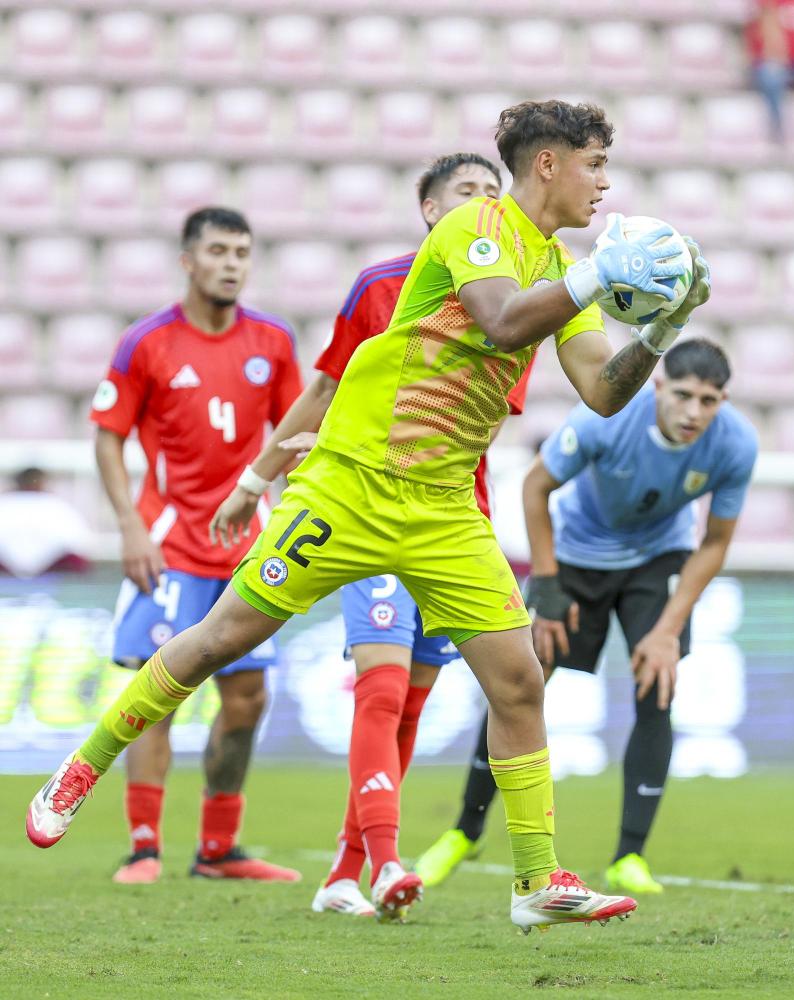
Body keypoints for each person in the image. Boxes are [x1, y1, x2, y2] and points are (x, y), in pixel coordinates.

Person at [28, 99, 710, 935]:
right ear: (548, 164)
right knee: (221, 638)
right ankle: (80, 768)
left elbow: (604, 394)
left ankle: (536, 882)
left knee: (518, 680)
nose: (606, 184)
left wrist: (665, 325)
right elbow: (500, 321)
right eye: (596, 164)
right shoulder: (476, 225)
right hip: (352, 481)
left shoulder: (565, 267)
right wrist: (601, 274)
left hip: (442, 507)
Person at [258, 152, 532, 920]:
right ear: (428, 208)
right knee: (379, 690)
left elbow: (477, 409)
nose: (483, 204)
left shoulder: (510, 301)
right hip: (371, 507)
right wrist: (260, 474)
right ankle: (383, 862)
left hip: (451, 519)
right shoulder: (378, 285)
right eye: (466, 193)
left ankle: (343, 871)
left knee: (411, 703)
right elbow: (328, 384)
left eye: (492, 193)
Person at [415, 339, 756, 896]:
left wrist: (669, 630)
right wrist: (546, 588)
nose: (695, 412)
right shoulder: (609, 418)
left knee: (658, 683)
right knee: (518, 686)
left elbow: (714, 543)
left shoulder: (736, 443)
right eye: (686, 396)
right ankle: (463, 832)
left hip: (657, 559)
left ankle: (629, 857)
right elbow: (535, 486)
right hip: (575, 556)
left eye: (710, 401)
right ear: (661, 387)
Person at [89, 207, 303, 884]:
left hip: (246, 546)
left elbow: (294, 438)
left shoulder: (273, 340)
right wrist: (128, 524)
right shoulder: (145, 342)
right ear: (189, 260)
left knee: (247, 698)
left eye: (242, 250)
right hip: (171, 542)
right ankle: (144, 846)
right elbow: (107, 434)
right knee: (157, 691)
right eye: (218, 250)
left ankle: (217, 850)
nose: (232, 262)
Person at [0, 468, 92, 577]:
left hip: (42, 569)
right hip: (48, 571)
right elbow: (80, 542)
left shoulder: (5, 502)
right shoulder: (56, 504)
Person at [746, 0, 794, 141]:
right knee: (772, 77)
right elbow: (769, 28)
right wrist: (778, 56)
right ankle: (777, 130)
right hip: (776, 58)